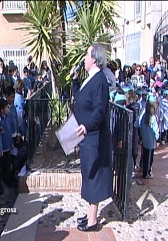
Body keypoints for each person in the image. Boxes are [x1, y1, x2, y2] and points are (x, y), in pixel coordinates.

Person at [71, 43, 113, 232]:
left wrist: (86, 126)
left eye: (87, 55)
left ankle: (93, 221)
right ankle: (89, 215)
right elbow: (80, 100)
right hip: (87, 138)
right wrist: (73, 82)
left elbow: (99, 110)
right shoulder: (90, 78)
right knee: (88, 175)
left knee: (93, 176)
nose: (84, 58)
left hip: (94, 138)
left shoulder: (100, 81)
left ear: (94, 59)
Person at [139, 95, 159, 178]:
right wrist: (157, 138)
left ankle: (144, 172)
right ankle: (148, 173)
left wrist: (141, 136)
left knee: (145, 156)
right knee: (150, 158)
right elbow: (156, 130)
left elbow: (140, 125)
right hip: (151, 141)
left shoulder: (143, 116)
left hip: (145, 140)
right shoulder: (153, 118)